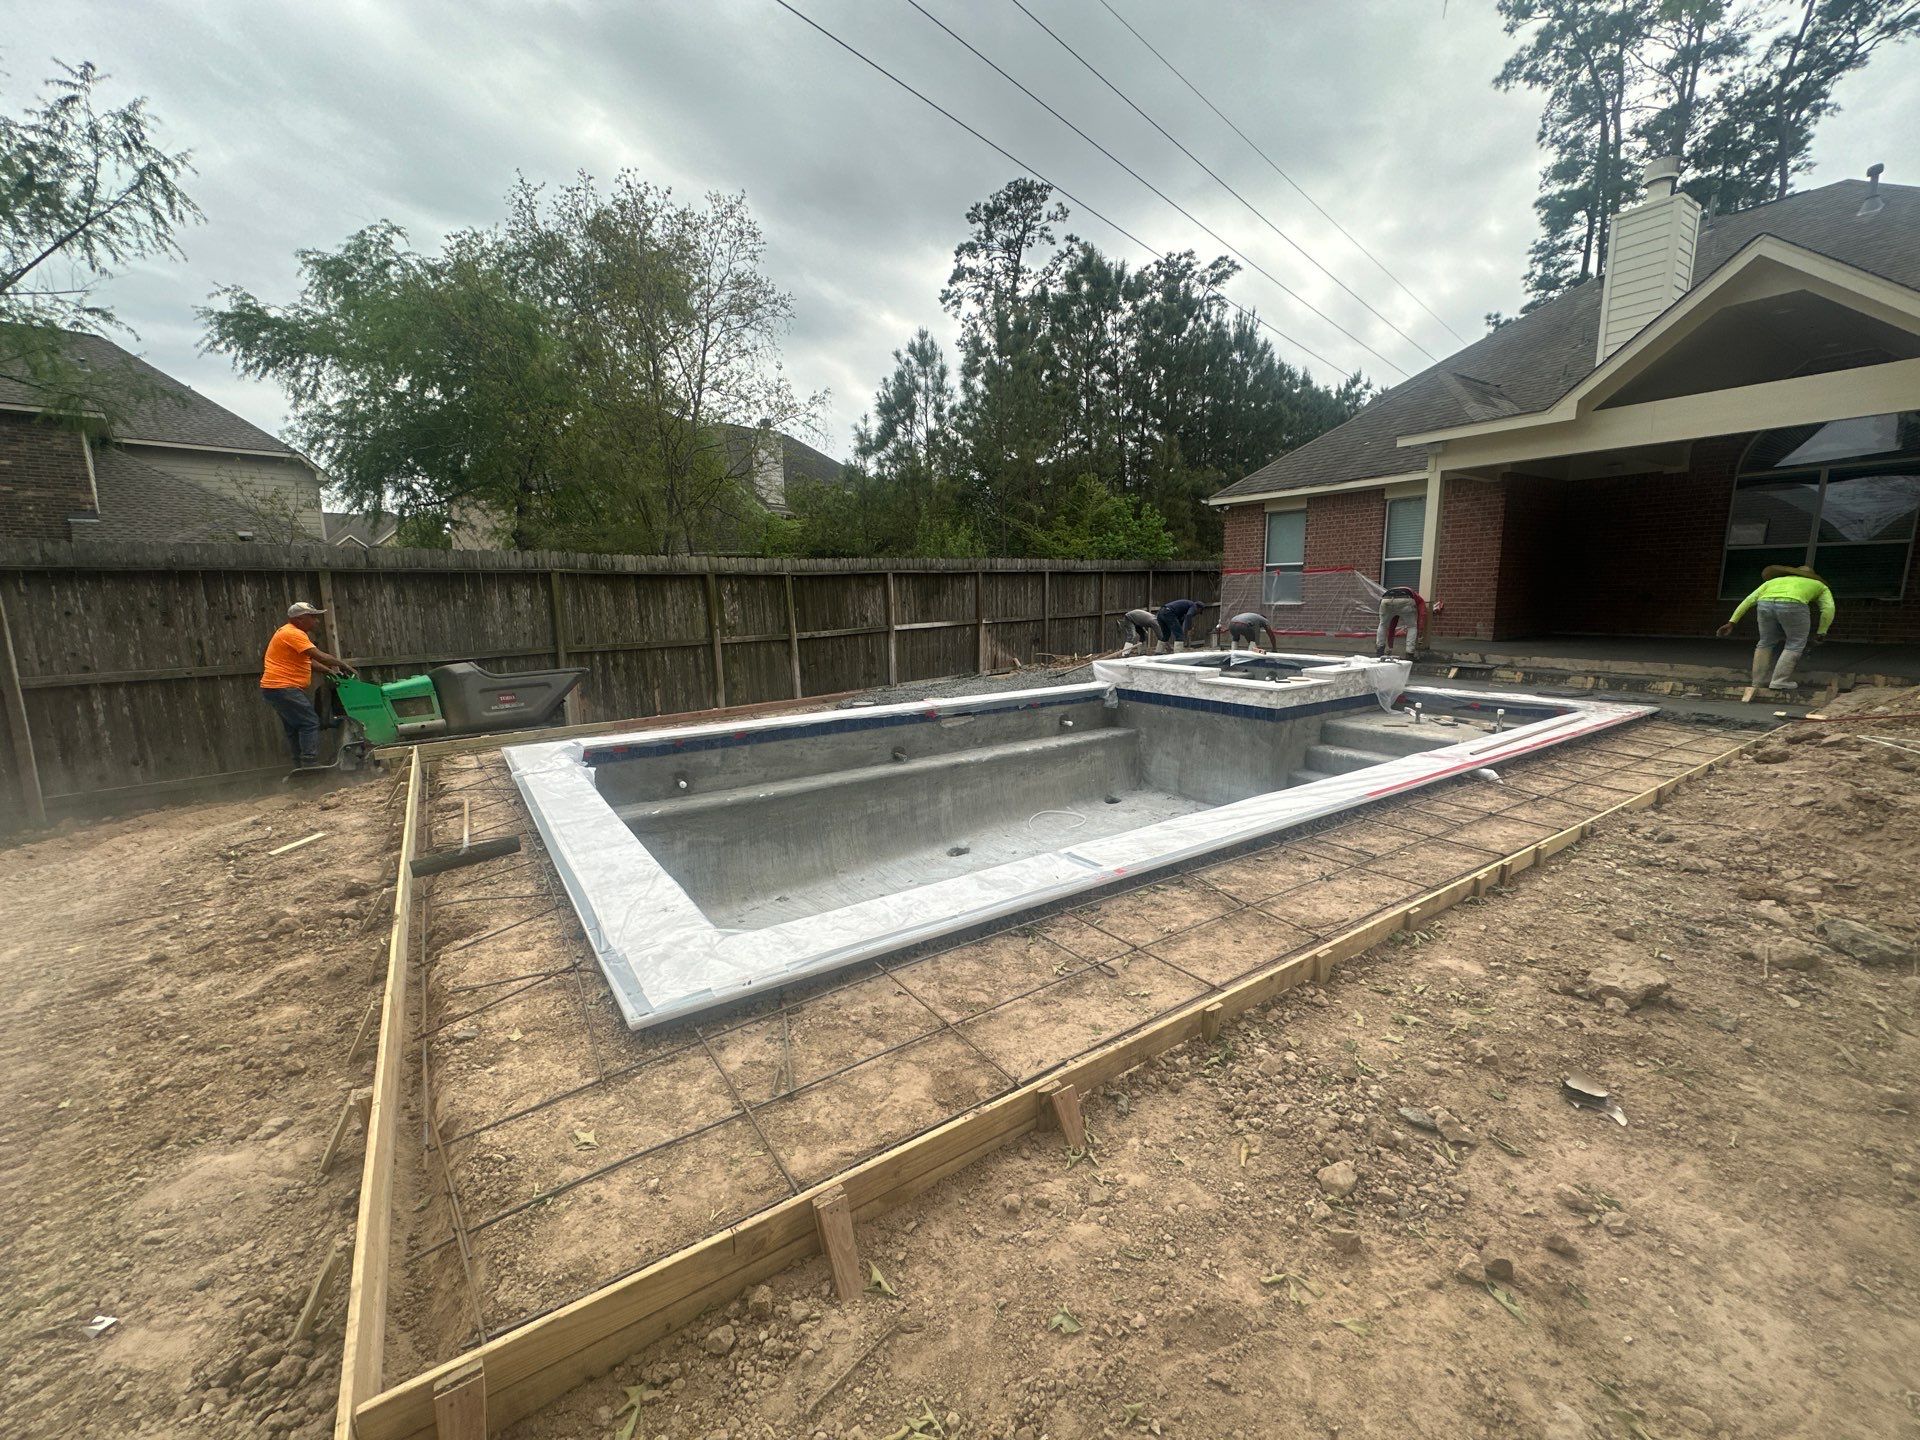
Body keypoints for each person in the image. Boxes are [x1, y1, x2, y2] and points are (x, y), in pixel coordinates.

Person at [261, 600, 356, 768]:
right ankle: (310, 764)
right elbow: (318, 655)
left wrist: (329, 671)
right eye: (313, 617)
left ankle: (301, 767)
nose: (316, 621)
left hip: (275, 688)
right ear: (300, 619)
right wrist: (342, 664)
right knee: (310, 722)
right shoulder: (293, 634)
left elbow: (308, 661)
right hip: (283, 687)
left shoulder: (288, 633)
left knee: (294, 727)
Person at [1717, 564, 1835, 695]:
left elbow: (1749, 600)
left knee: (1765, 642)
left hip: (1764, 604)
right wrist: (1822, 631)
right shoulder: (1819, 585)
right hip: (1794, 604)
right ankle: (1779, 681)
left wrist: (1731, 622)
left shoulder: (1773, 581)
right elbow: (1828, 609)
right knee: (1795, 643)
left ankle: (1756, 682)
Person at [1375, 585, 1427, 659]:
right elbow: (1423, 614)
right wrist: (1420, 630)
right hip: (1405, 599)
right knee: (1412, 627)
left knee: (1383, 625)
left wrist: (1390, 646)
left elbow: (1392, 627)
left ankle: (1379, 652)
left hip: (1385, 599)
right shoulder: (1419, 599)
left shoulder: (1394, 590)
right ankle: (1410, 654)